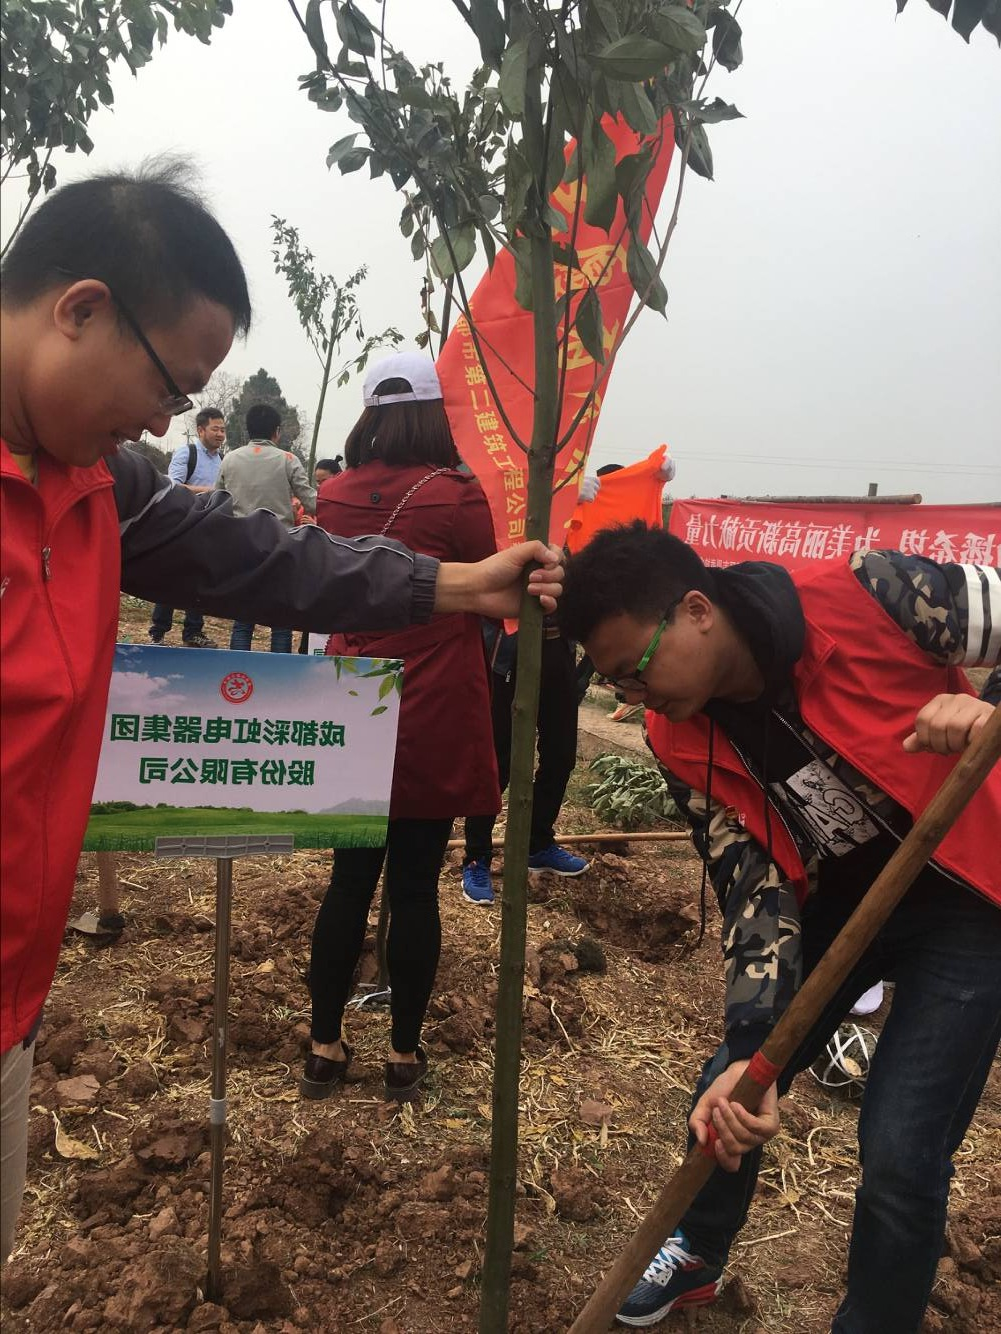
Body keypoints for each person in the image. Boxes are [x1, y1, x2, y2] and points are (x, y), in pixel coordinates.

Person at [0, 163, 564, 1263]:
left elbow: (263, 556)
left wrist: (455, 585)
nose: (169, 421)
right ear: (80, 311)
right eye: (170, 391)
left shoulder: (97, 483)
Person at [559, 523, 1000, 1333]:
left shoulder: (873, 594)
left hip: (973, 896)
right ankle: (696, 1250)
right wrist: (752, 1042)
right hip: (845, 906)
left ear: (695, 610)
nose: (633, 698)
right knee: (723, 1087)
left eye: (634, 670)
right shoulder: (675, 733)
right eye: (616, 683)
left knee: (901, 1150)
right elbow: (750, 886)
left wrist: (987, 708)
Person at [301, 352, 501, 1103]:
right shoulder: (456, 497)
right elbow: (489, 586)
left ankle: (323, 1049)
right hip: (432, 700)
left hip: (354, 694)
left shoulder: (332, 494)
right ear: (434, 413)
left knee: (347, 882)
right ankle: (403, 1058)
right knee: (416, 887)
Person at [461, 621, 589, 906]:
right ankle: (476, 857)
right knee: (497, 763)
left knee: (560, 756)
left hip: (558, 648)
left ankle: (538, 841)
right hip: (508, 651)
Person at [215, 403, 316, 653]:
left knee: (243, 619)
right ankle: (278, 678)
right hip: (279, 544)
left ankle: (237, 671)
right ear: (277, 431)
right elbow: (312, 501)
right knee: (280, 619)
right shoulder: (288, 460)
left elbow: (218, 500)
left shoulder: (230, 459)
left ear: (248, 429)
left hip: (241, 544)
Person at [148, 405, 226, 646]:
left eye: (223, 430)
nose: (220, 434)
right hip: (180, 524)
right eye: (215, 429)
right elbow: (173, 485)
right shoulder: (187, 454)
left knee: (198, 579)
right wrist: (210, 491)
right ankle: (158, 632)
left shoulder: (223, 460)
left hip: (207, 526)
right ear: (201, 430)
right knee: (171, 577)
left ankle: (193, 632)